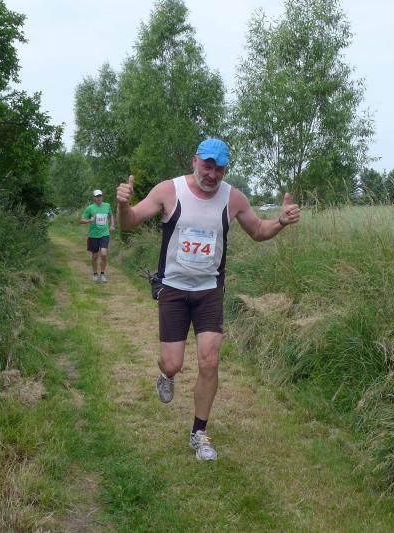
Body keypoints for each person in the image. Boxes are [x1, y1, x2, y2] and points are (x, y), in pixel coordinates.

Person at [116, 138, 300, 461]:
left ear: (225, 169)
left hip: (209, 290)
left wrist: (281, 222)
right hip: (173, 289)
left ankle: (199, 433)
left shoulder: (233, 198)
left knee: (210, 360)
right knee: (172, 362)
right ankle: (167, 375)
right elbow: (129, 222)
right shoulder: (169, 191)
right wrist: (123, 205)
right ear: (194, 162)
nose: (212, 174)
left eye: (219, 169)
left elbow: (258, 230)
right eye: (207, 166)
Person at [80, 189, 115, 283]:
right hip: (93, 235)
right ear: (94, 198)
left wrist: (112, 225)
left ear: (102, 197)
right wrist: (90, 220)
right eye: (97, 196)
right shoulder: (90, 208)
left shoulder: (107, 205)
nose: (99, 198)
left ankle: (102, 274)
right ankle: (95, 274)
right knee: (95, 256)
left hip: (105, 234)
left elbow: (111, 215)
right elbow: (81, 220)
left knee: (104, 254)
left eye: (100, 196)